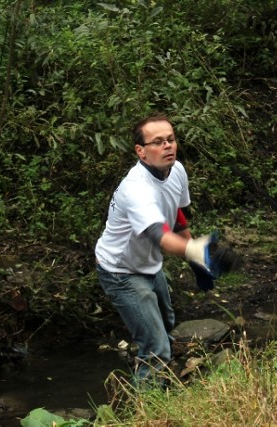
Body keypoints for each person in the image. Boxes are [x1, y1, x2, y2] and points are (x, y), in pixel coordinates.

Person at [95, 112, 218, 385]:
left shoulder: (177, 170)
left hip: (148, 264)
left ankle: (158, 367)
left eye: (171, 139)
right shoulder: (136, 189)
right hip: (120, 270)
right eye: (158, 141)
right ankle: (147, 406)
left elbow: (175, 215)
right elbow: (159, 235)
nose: (167, 146)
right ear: (141, 151)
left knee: (166, 321)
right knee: (157, 347)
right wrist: (196, 251)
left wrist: (196, 260)